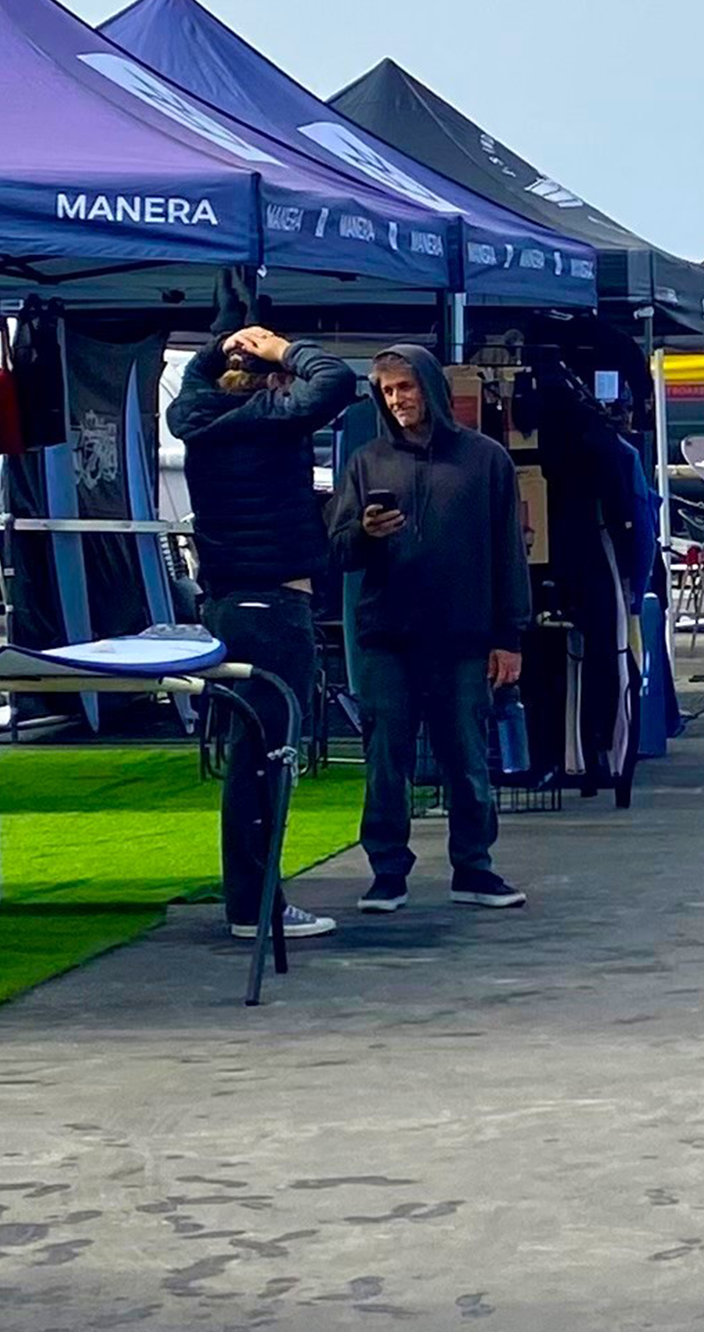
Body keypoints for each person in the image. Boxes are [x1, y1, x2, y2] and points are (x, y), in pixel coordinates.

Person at [168, 323, 367, 943]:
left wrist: (221, 346)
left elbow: (196, 383)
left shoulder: (197, 418)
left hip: (230, 599)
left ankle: (253, 901)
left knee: (249, 758)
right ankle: (256, 908)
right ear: (277, 382)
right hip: (275, 605)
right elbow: (335, 381)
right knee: (265, 763)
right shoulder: (273, 419)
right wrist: (278, 345)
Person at [329, 347, 533, 914]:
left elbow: (507, 553)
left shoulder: (486, 460)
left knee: (466, 758)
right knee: (386, 759)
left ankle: (473, 867)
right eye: (387, 392)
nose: (396, 401)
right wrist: (366, 532)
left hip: (463, 638)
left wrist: (509, 636)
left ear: (431, 390)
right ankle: (387, 872)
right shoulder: (367, 462)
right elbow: (339, 551)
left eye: (405, 388)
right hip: (387, 637)